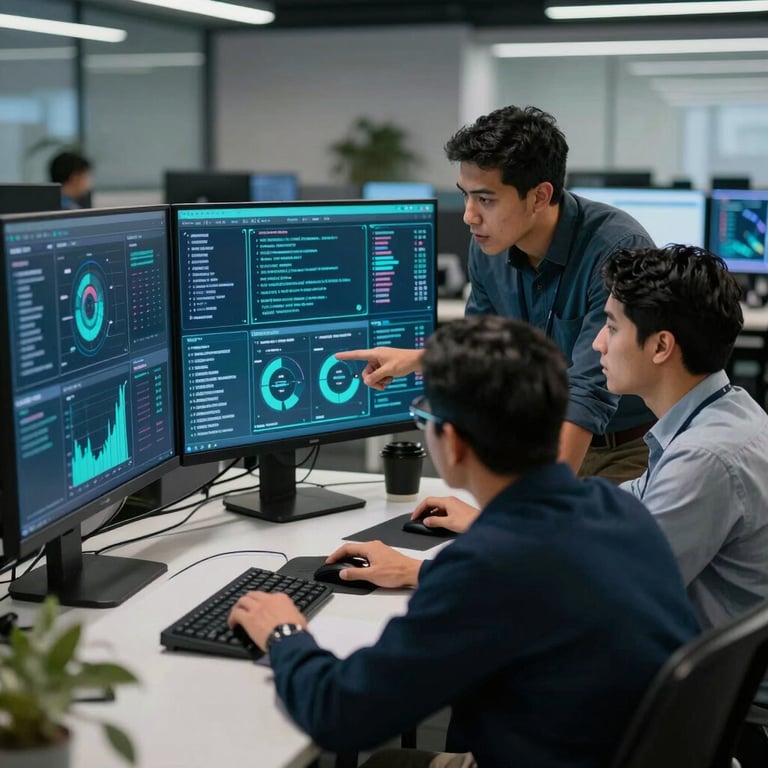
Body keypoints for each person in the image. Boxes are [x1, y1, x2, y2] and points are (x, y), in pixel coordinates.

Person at [228, 315, 698, 768]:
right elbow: (541, 586)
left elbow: (342, 714)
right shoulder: (612, 506)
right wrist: (424, 573)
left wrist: (285, 633)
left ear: (452, 444)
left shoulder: (487, 567)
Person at [337, 105, 656, 483]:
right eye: (466, 196)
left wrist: (527, 509)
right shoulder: (488, 248)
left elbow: (587, 393)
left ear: (539, 196)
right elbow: (485, 354)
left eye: (485, 200)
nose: (469, 216)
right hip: (536, 444)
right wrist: (416, 359)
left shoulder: (615, 249)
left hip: (623, 453)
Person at [593, 244, 768, 767]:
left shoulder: (707, 458)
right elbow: (628, 506)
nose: (599, 343)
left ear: (661, 346)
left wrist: (443, 571)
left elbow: (613, 592)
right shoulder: (725, 412)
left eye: (612, 326)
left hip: (727, 723)